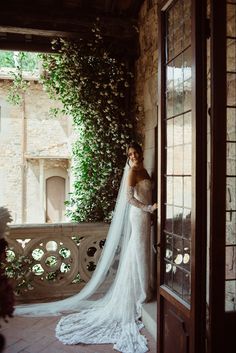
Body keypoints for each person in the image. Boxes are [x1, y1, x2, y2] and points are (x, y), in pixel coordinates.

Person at [15, 142, 157, 353]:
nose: (134, 155)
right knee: (138, 252)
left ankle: (145, 289)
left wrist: (151, 212)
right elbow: (129, 199)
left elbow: (147, 193)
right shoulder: (132, 173)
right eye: (131, 154)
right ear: (129, 156)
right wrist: (147, 208)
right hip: (138, 216)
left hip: (147, 217)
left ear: (141, 152)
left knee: (140, 253)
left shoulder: (145, 170)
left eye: (136, 152)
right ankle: (143, 294)